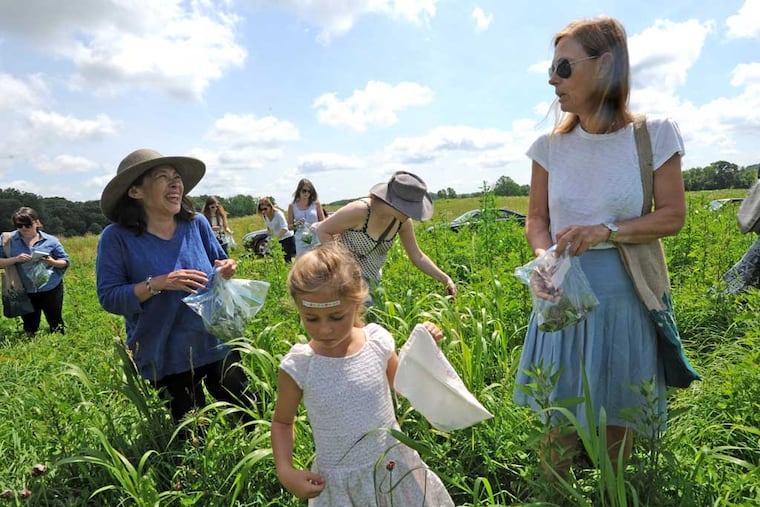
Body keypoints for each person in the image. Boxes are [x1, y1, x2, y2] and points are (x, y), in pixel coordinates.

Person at [512, 16, 687, 475]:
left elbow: (673, 216)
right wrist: (541, 259)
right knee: (557, 428)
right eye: (551, 68)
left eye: (564, 67)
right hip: (561, 294)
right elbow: (537, 218)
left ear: (605, 64)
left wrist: (604, 230)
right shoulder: (549, 146)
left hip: (625, 295)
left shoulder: (654, 134)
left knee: (618, 427)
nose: (553, 78)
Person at [271, 244, 454, 506]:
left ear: (357, 303)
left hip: (393, 466)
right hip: (340, 483)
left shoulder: (377, 343)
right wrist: (286, 472)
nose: (324, 330)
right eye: (311, 318)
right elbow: (282, 423)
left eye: (336, 316)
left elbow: (403, 387)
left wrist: (423, 347)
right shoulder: (300, 365)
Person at [95, 148, 257, 424]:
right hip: (165, 351)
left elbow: (220, 261)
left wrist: (227, 268)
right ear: (135, 192)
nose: (176, 184)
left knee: (246, 414)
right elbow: (109, 297)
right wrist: (158, 283)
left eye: (177, 177)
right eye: (163, 177)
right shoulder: (116, 238)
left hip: (216, 338)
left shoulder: (197, 223)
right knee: (191, 430)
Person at [316, 171, 456, 302]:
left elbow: (417, 256)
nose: (413, 214)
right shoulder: (360, 210)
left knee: (371, 324)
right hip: (340, 279)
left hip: (372, 283)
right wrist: (344, 268)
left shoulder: (402, 222)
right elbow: (323, 230)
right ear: (398, 204)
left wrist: (445, 279)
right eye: (412, 208)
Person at [0, 207, 69, 334]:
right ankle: (31, 347)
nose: (24, 228)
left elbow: (64, 261)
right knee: (30, 325)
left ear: (36, 222)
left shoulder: (51, 240)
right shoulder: (8, 240)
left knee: (56, 322)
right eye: (19, 225)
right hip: (24, 288)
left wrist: (51, 261)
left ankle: (60, 344)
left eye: (27, 224)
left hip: (51, 287)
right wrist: (15, 259)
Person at [287, 178, 325, 258]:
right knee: (303, 263)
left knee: (318, 262)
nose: (307, 193)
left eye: (309, 191)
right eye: (304, 190)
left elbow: (323, 222)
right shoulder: (292, 206)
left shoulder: (316, 204)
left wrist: (315, 225)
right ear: (299, 190)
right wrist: (296, 224)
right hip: (301, 240)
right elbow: (289, 227)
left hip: (316, 238)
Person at [258, 197, 296, 263]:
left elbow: (285, 228)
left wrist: (275, 239)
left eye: (265, 209)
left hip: (287, 238)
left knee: (288, 260)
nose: (263, 211)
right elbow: (269, 229)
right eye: (261, 210)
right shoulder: (265, 216)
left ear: (270, 206)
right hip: (279, 240)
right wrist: (269, 239)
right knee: (278, 260)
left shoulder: (278, 214)